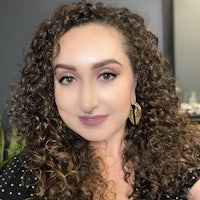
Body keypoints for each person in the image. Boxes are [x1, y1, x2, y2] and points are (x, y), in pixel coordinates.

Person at [0, 1, 200, 199]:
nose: (87, 103)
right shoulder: (23, 178)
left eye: (106, 75)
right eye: (67, 78)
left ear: (136, 82)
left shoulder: (180, 166)